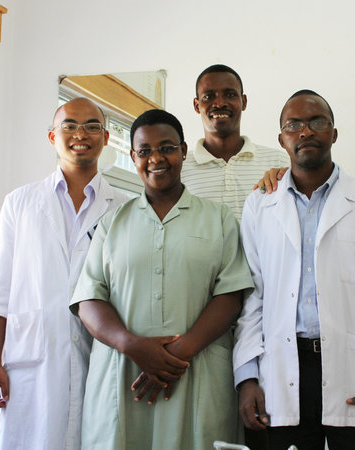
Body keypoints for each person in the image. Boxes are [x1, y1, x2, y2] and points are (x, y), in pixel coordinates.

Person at [70, 109, 254, 449]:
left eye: (167, 148)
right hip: (124, 375)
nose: (156, 158)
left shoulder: (218, 218)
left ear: (183, 151)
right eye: (145, 151)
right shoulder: (113, 223)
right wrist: (132, 345)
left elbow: (230, 295)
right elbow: (88, 299)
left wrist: (174, 356)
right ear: (133, 156)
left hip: (196, 373)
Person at [233, 90, 355, 450]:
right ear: (282, 139)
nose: (305, 132)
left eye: (316, 122)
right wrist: (247, 376)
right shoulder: (260, 205)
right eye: (294, 125)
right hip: (282, 371)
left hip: (354, 372)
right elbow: (252, 297)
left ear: (334, 133)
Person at [0, 97, 129, 449]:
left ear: (106, 138)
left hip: (100, 357)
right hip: (32, 360)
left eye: (93, 126)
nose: (81, 134)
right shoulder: (20, 203)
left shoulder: (124, 208)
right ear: (52, 137)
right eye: (70, 126)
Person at [182, 64, 290, 220]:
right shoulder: (181, 170)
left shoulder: (278, 162)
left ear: (244, 101)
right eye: (208, 96)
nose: (219, 103)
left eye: (230, 95)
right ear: (197, 105)